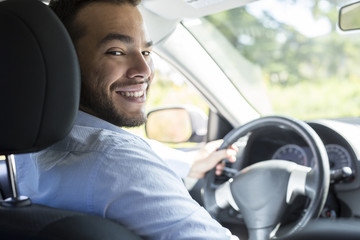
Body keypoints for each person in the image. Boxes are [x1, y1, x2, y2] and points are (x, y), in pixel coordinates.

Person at [15, 0, 238, 239]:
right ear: (64, 62)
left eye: (146, 52)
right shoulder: (116, 162)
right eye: (117, 52)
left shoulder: (30, 149)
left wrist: (190, 164)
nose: (144, 70)